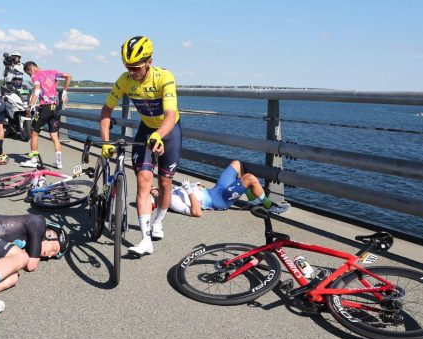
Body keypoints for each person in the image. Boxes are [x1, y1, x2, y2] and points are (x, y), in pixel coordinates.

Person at [99, 36, 182, 257]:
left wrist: (159, 135)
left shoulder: (164, 77)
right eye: (127, 67)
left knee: (165, 182)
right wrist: (106, 142)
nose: (132, 71)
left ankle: (159, 222)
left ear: (149, 61)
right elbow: (105, 112)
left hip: (169, 131)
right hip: (146, 130)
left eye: (135, 67)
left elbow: (171, 115)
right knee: (143, 181)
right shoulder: (125, 80)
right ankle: (146, 240)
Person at [160, 160, 291, 220]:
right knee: (249, 178)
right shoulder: (171, 202)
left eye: (153, 189)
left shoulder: (168, 192)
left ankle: (253, 200)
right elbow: (197, 212)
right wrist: (188, 190)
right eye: (153, 193)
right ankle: (269, 206)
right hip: (218, 200)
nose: (154, 189)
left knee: (237, 164)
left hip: (215, 190)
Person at [19, 61, 71, 169]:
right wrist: (65, 91)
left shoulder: (35, 75)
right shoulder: (52, 72)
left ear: (30, 69)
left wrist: (30, 106)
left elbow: (37, 91)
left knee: (34, 133)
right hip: (55, 107)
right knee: (54, 136)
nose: (30, 76)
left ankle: (33, 160)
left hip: (45, 107)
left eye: (28, 73)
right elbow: (68, 76)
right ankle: (59, 162)